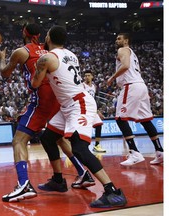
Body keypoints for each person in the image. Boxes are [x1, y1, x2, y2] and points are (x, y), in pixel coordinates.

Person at [32, 25, 127, 208]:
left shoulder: (46, 58)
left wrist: (36, 67)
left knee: (79, 149)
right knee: (48, 138)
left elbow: (35, 83)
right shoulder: (71, 54)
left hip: (78, 104)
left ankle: (112, 191)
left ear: (49, 37)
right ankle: (58, 181)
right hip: (69, 104)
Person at [0, 23, 61, 202]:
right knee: (59, 138)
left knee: (19, 140)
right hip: (57, 98)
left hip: (42, 100)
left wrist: (1, 58)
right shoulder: (49, 51)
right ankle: (82, 172)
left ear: (24, 33)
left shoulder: (22, 51)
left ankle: (23, 184)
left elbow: (5, 73)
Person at [107, 33, 163, 166]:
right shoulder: (133, 53)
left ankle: (134, 152)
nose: (117, 40)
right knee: (145, 120)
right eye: (116, 39)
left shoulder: (122, 50)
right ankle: (160, 151)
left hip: (131, 86)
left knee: (120, 118)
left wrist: (112, 78)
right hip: (141, 86)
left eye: (119, 38)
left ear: (126, 41)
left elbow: (125, 66)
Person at [83, 70, 106, 153]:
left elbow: (94, 100)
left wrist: (98, 111)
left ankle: (97, 145)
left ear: (92, 76)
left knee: (99, 125)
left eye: (88, 75)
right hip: (84, 109)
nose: (87, 77)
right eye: (85, 75)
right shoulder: (82, 86)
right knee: (83, 128)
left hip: (92, 109)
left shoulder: (94, 86)